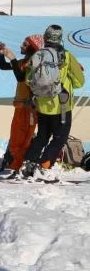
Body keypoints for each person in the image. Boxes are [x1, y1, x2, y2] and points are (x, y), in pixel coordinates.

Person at [21, 25, 85, 180]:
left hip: (42, 105)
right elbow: (79, 82)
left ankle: (29, 163)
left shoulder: (38, 55)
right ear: (60, 38)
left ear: (45, 37)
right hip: (62, 106)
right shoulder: (67, 56)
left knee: (42, 136)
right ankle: (44, 166)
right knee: (60, 138)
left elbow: (28, 79)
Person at [0, 35, 43, 176]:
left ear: (31, 47)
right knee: (21, 138)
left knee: (20, 139)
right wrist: (1, 55)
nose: (21, 46)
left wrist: (12, 57)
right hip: (23, 107)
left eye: (24, 44)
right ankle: (18, 167)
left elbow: (20, 77)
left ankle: (19, 167)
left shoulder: (32, 63)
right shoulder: (25, 61)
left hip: (27, 107)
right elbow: (3, 66)